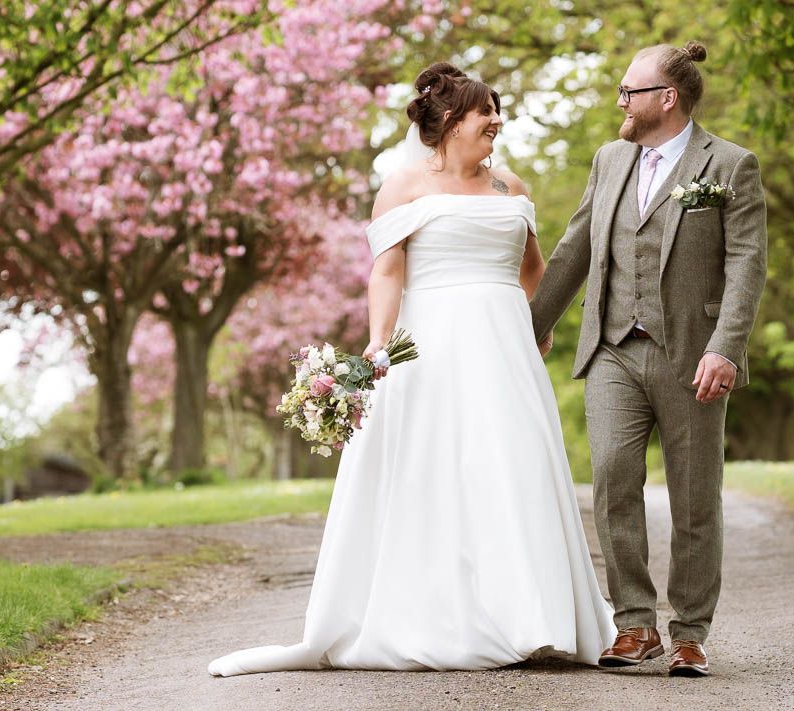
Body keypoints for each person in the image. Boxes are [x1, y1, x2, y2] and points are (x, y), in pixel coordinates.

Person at [207, 63, 615, 677]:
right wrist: (378, 342)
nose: (497, 121)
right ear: (449, 121)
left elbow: (533, 265)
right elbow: (387, 270)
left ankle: (535, 619)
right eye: (485, 111)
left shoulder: (510, 186)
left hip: (505, 346)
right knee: (440, 466)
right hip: (432, 343)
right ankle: (445, 616)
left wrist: (540, 322)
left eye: (498, 111)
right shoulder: (403, 186)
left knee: (515, 463)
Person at [528, 41, 768, 678]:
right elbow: (574, 247)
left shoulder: (730, 165)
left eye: (628, 91)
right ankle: (634, 623)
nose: (620, 102)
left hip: (692, 354)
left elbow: (747, 264)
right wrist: (528, 329)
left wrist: (726, 347)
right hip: (612, 347)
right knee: (612, 478)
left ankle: (689, 632)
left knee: (694, 496)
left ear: (667, 98)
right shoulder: (610, 159)